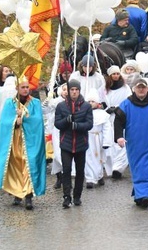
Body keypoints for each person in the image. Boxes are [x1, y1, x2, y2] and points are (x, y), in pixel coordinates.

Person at [114, 77, 148, 208]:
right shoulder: (126, 104)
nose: (141, 90)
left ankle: (145, 195)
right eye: (138, 87)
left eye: (143, 87)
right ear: (134, 89)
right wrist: (119, 137)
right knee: (137, 169)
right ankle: (141, 194)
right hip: (134, 144)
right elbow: (118, 121)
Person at [0, 77, 46, 209]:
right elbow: (4, 122)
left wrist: (23, 116)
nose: (25, 90)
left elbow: (37, 121)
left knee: (28, 166)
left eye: (27, 87)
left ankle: (28, 196)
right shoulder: (9, 103)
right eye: (22, 87)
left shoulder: (35, 103)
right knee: (17, 167)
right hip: (14, 142)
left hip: (30, 142)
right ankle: (17, 193)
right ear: (17, 88)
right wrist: (15, 121)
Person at [54, 79, 93, 208]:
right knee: (66, 170)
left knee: (80, 171)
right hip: (66, 143)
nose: (74, 92)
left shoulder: (86, 106)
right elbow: (57, 124)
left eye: (76, 90)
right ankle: (66, 196)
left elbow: (89, 124)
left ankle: (77, 195)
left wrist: (78, 125)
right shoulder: (61, 106)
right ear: (68, 91)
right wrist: (66, 120)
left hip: (81, 143)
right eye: (72, 90)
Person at [103, 65, 132, 180]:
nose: (116, 76)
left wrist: (118, 108)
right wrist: (106, 108)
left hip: (121, 116)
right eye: (113, 74)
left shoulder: (125, 88)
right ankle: (111, 166)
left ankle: (118, 168)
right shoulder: (105, 88)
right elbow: (101, 100)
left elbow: (128, 100)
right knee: (110, 140)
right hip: (109, 117)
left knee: (121, 141)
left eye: (117, 74)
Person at [84, 88, 113, 189]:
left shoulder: (103, 115)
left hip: (98, 138)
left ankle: (99, 175)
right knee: (88, 158)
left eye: (93, 101)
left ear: (97, 103)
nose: (91, 103)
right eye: (89, 101)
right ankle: (90, 178)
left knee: (100, 158)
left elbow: (106, 128)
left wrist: (106, 142)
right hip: (88, 137)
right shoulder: (83, 113)